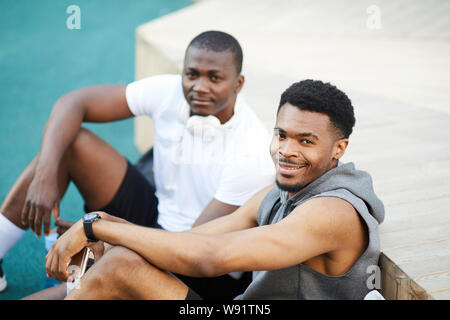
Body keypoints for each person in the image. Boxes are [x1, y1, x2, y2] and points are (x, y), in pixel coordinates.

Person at [44, 79, 385, 300]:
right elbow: (195, 241)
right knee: (119, 258)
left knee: (122, 267)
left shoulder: (333, 212)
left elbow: (211, 258)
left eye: (305, 141)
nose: (286, 150)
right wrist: (112, 234)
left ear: (339, 149)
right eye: (281, 135)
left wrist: (94, 224)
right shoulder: (282, 192)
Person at [0, 30, 275, 297]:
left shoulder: (251, 154)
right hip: (157, 219)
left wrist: (104, 236)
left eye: (215, 78)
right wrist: (45, 175)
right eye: (192, 74)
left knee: (80, 284)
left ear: (238, 84)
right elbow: (73, 103)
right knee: (73, 144)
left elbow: (192, 248)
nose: (199, 87)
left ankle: (81, 280)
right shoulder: (170, 92)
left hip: (200, 265)